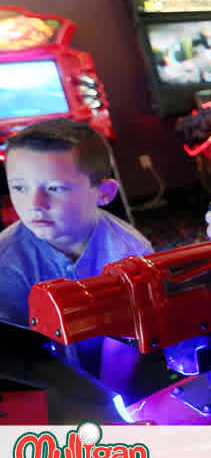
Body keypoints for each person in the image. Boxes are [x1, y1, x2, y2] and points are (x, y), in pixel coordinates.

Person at [0, 118, 154, 387]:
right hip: (42, 383)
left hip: (112, 376)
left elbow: (123, 344)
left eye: (54, 188)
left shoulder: (131, 252)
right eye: (20, 187)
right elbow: (18, 356)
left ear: (104, 193)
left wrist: (107, 403)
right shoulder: (5, 262)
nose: (35, 204)